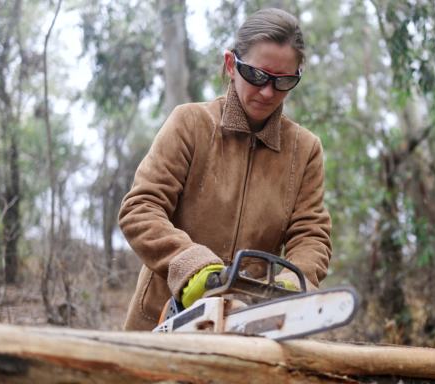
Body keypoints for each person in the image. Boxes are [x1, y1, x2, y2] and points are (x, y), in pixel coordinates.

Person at [119, 8, 331, 331]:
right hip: (163, 322)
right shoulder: (190, 124)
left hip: (251, 328)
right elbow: (140, 209)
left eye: (284, 81)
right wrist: (191, 266)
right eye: (258, 76)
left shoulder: (304, 151)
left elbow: (311, 236)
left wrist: (291, 282)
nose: (268, 92)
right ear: (231, 65)